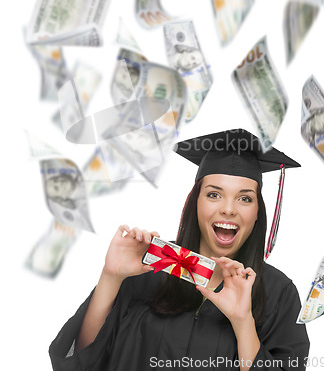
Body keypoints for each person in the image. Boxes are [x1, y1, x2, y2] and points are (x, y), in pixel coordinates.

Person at [49, 129, 310, 370]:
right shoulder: (150, 265)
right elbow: (83, 362)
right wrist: (111, 276)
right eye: (214, 194)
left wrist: (243, 323)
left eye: (245, 198)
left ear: (257, 213)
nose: (229, 209)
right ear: (195, 202)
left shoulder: (278, 293)